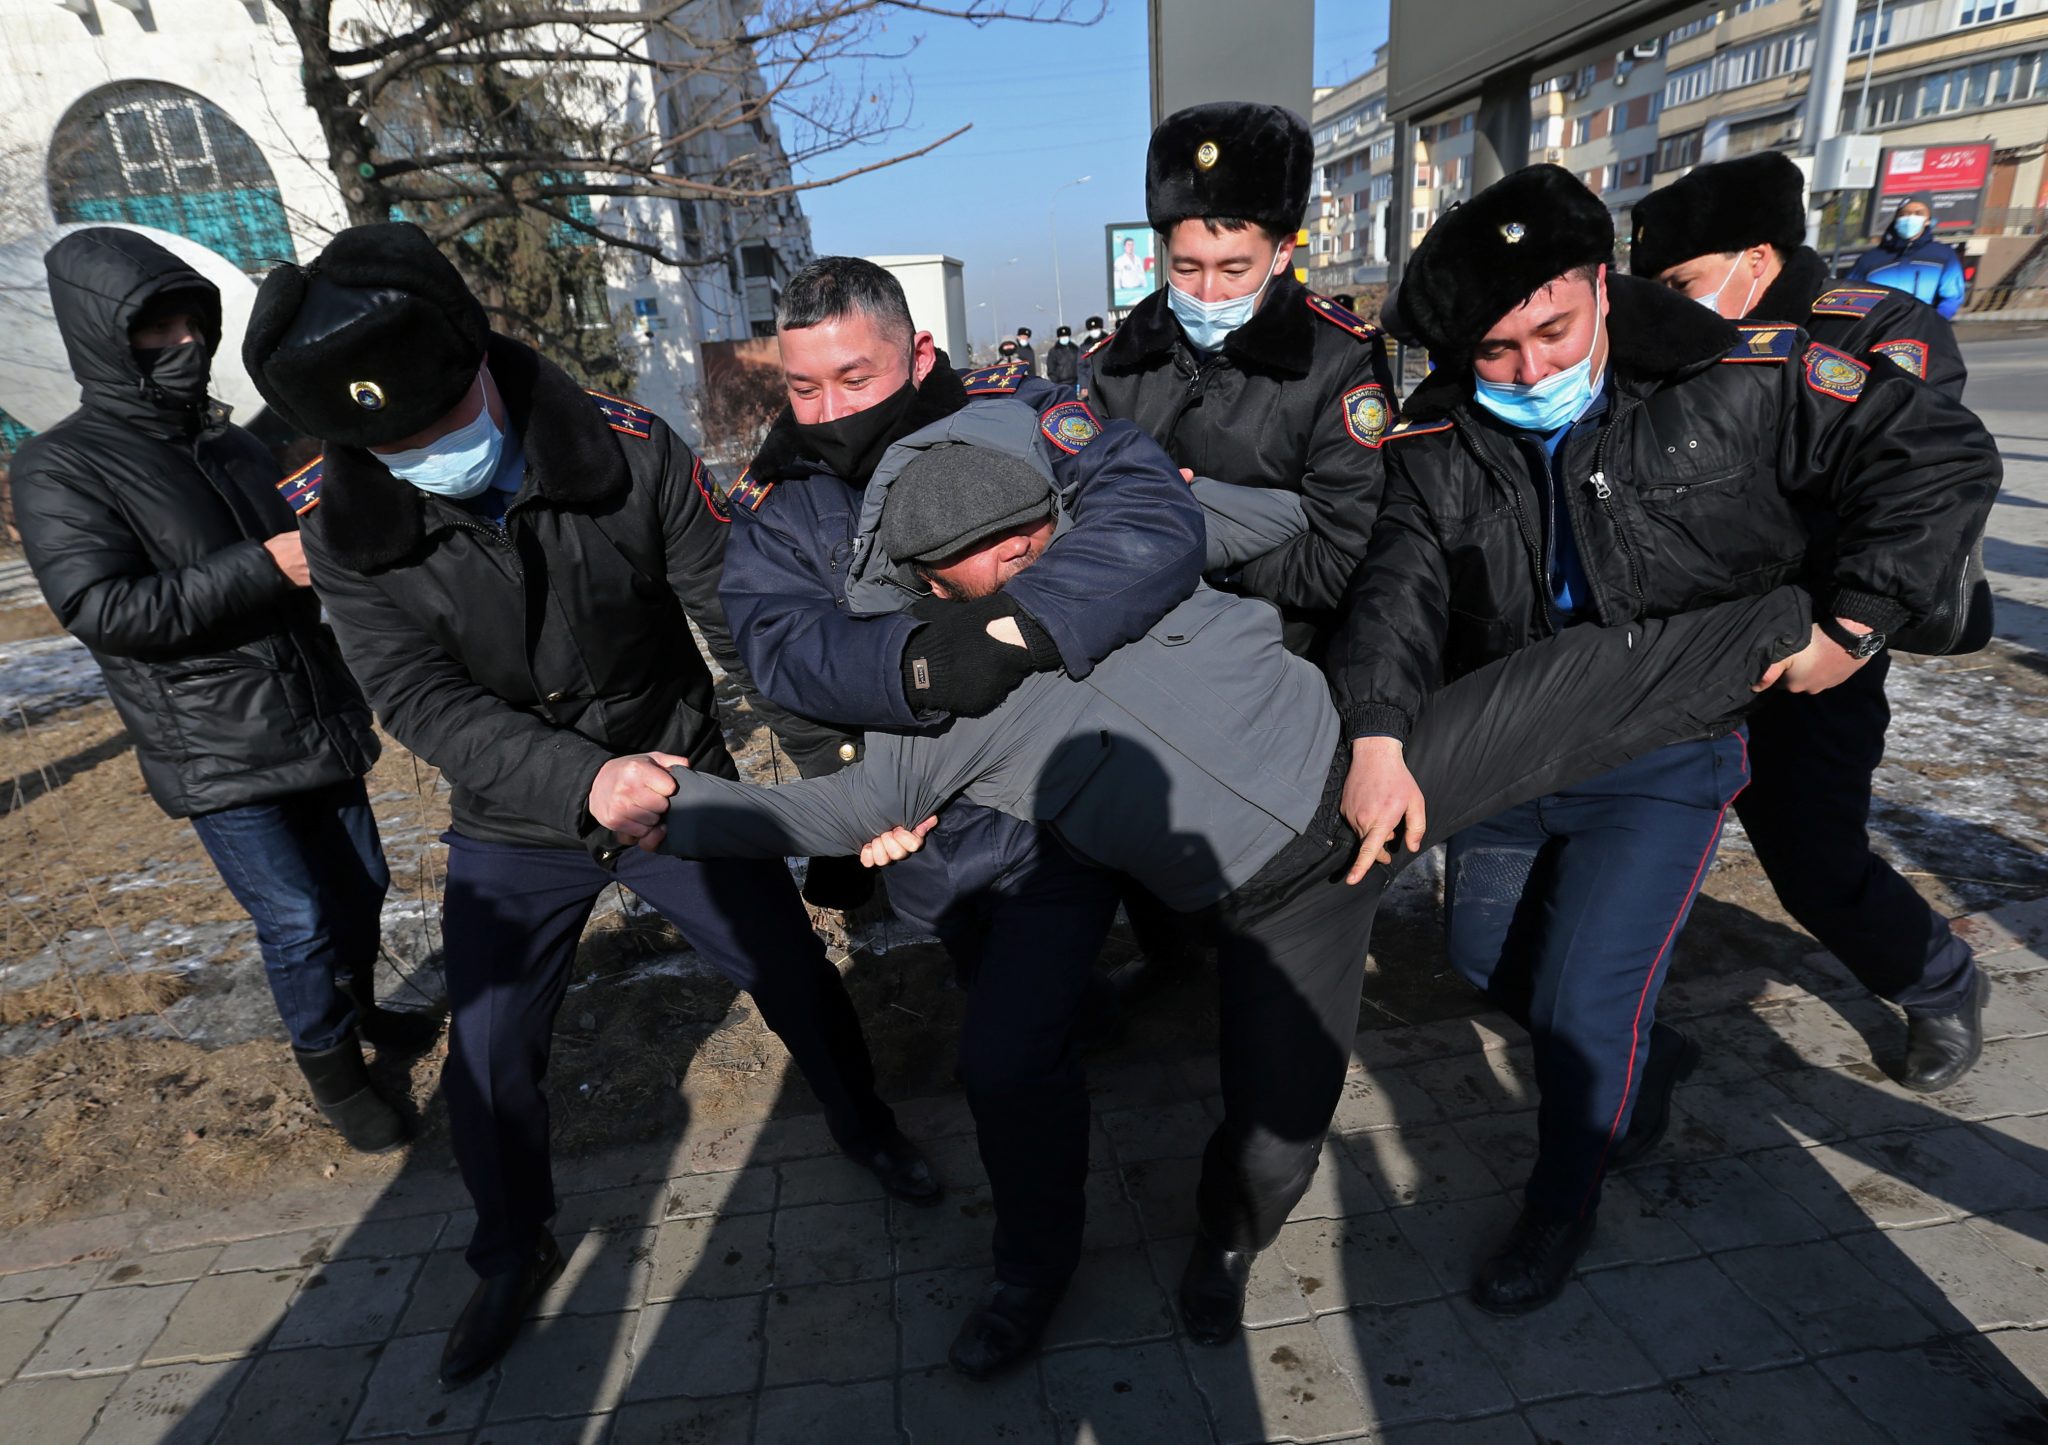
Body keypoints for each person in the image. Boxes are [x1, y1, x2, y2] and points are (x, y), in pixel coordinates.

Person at [653, 418, 1820, 1353]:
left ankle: (1801, 628)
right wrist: (661, 808)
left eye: (1035, 523)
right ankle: (1223, 1241)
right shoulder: (942, 710)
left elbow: (1289, 517)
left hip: (1368, 771)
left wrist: (1256, 488)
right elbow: (826, 812)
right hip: (1282, 904)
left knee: (1569, 682)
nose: (1036, 554)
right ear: (930, 584)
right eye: (999, 551)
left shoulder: (1107, 555)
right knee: (1275, 1134)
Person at [241, 223, 935, 1387]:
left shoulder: (624, 447)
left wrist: (836, 783)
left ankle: (864, 1125)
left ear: (475, 367)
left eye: (437, 429)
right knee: (494, 1047)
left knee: (789, 968)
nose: (423, 459)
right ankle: (511, 1247)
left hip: (673, 774)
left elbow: (741, 618)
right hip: (519, 814)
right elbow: (416, 694)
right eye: (390, 444)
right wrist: (575, 782)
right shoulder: (340, 513)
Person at [1334, 165, 1999, 1318]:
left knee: (1587, 1000)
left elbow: (1933, 458)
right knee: (1493, 963)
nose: (1530, 369)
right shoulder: (1436, 428)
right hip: (1516, 738)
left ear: (1600, 285)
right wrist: (1378, 734)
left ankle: (1560, 1198)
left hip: (1665, 744)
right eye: (1495, 350)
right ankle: (1633, 1074)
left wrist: (1853, 621)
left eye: (1552, 329)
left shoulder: (1739, 375)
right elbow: (1396, 589)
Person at [718, 255, 1206, 1377]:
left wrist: (1014, 631)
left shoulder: (1024, 419)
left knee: (1098, 995)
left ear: (918, 358)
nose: (831, 408)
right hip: (970, 827)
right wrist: (931, 670)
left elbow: (1147, 515)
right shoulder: (779, 506)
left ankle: (1155, 994)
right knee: (1009, 1047)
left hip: (1120, 768)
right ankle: (1037, 1263)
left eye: (856, 376)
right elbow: (784, 651)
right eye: (805, 388)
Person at [12, 228, 419, 1155]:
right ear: (102, 339)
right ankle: (333, 1069)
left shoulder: (234, 444)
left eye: (191, 318)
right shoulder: (61, 466)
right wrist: (268, 567)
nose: (185, 340)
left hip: (311, 711)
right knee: (298, 917)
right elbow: (104, 607)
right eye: (156, 328)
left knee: (360, 889)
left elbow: (310, 558)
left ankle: (360, 1014)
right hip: (215, 742)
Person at [1630, 151, 1990, 1091]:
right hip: (1684, 645)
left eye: (1683, 281)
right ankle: (1610, 1037)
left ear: (1757, 257)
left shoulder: (1868, 330)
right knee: (1623, 844)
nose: (1671, 302)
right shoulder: (1668, 347)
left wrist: (1854, 628)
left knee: (1813, 857)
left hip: (1814, 652)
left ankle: (1938, 979)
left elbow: (1928, 475)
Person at [1086, 101, 1395, 658]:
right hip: (1137, 653)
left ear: (1282, 254)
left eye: (1234, 270)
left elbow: (1346, 552)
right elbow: (1083, 517)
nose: (1207, 294)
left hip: (1285, 655)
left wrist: (1204, 555)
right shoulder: (1115, 363)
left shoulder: (1337, 360)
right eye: (1185, 267)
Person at [1849, 198, 1968, 319]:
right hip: (1877, 331)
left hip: (1920, 330)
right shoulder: (1869, 260)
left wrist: (1934, 323)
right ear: (1896, 219)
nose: (1910, 218)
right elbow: (1849, 294)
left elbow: (1952, 297)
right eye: (1904, 214)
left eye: (1918, 213)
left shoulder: (1943, 256)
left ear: (1928, 220)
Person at [1076, 315, 1108, 400]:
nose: (1094, 331)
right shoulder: (1084, 346)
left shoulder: (1109, 342)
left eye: (1096, 328)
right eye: (1092, 329)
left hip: (1108, 380)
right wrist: (1084, 385)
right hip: (1091, 383)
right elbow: (1081, 367)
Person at [1043, 323, 1080, 389]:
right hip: (1060, 384)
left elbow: (1080, 365)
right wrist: (1055, 382)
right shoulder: (1053, 351)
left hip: (1075, 383)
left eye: (1066, 336)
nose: (1064, 338)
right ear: (1059, 337)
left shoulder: (1075, 349)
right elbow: (1051, 369)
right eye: (1062, 336)